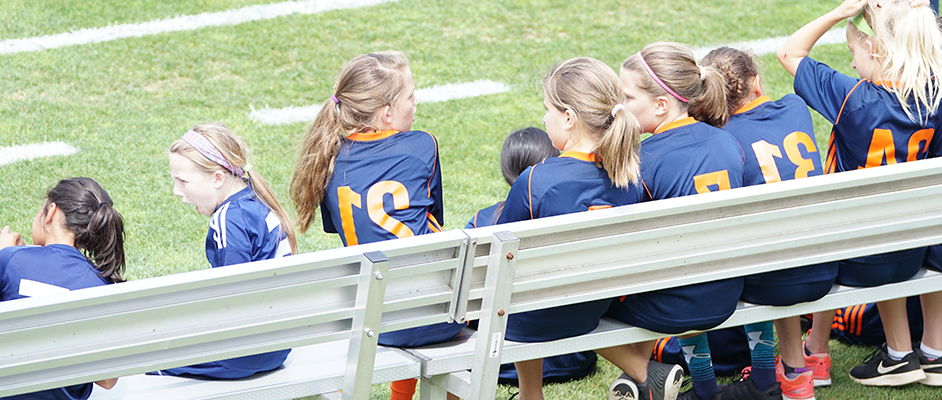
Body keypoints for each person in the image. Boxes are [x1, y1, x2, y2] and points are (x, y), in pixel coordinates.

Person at [778, 0, 942, 387]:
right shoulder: (934, 97)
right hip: (923, 243)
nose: (851, 64)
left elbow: (790, 52)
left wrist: (841, 12)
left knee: (876, 224)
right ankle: (933, 353)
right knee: (910, 224)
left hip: (865, 257)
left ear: (875, 52)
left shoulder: (853, 98)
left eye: (854, 53)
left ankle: (899, 354)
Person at [495, 57, 678, 400]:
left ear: (568, 117)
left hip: (536, 317)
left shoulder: (536, 180)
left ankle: (530, 394)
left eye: (547, 108)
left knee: (517, 292)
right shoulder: (629, 177)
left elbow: (501, 259)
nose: (544, 117)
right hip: (592, 303)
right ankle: (639, 371)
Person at [289, 51, 463, 400]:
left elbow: (349, 229)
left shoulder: (328, 161)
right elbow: (433, 221)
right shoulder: (422, 144)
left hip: (372, 321)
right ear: (386, 112)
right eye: (411, 96)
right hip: (436, 315)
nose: (416, 102)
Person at [684, 46, 841, 400]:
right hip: (823, 267)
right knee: (789, 238)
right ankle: (798, 367)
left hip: (769, 278)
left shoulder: (720, 140)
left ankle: (794, 372)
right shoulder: (795, 107)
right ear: (755, 82)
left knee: (767, 250)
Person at [609, 42, 752, 400]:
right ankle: (641, 381)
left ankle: (644, 375)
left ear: (661, 105)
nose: (618, 107)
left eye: (627, 97)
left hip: (676, 304)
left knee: (588, 300)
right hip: (726, 293)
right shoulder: (727, 142)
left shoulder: (641, 158)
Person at [464, 127, 599, 385]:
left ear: (506, 170)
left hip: (503, 354)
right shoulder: (566, 217)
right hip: (573, 356)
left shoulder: (482, 220)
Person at [161, 122, 296, 378]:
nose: (176, 191)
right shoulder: (256, 202)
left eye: (183, 181)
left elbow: (231, 297)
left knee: (148, 358)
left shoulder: (228, 220)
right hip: (277, 346)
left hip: (242, 354)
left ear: (218, 178)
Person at [0, 177, 125, 399]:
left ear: (51, 212)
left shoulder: (11, 261)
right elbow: (107, 380)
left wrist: (3, 254)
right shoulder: (100, 283)